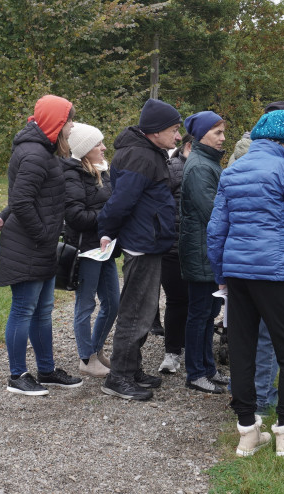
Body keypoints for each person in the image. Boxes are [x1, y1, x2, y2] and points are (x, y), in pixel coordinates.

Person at [208, 109, 284, 457]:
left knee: (242, 350)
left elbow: (216, 231)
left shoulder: (232, 170)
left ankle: (248, 434)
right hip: (274, 273)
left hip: (238, 275)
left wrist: (221, 278)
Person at [0, 95, 83, 395]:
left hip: (39, 246)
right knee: (23, 309)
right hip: (28, 246)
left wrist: (4, 216)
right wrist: (43, 234)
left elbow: (22, 196)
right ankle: (17, 376)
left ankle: (46, 370)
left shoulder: (44, 150)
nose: (71, 126)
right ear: (55, 121)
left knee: (43, 311)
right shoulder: (34, 154)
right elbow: (22, 199)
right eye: (68, 120)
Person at [97, 98, 181, 401]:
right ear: (156, 130)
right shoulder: (140, 157)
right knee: (136, 312)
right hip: (142, 243)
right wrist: (105, 231)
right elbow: (120, 201)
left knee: (144, 311)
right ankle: (118, 377)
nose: (178, 135)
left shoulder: (148, 152)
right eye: (173, 129)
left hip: (150, 240)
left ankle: (131, 370)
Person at [61, 122, 119, 377]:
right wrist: (108, 216)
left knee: (113, 303)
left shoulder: (102, 171)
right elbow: (75, 216)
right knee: (85, 306)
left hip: (105, 249)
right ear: (84, 149)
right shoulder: (71, 174)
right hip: (86, 251)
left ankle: (96, 350)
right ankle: (86, 358)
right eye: (98, 144)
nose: (104, 147)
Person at [178, 111, 230, 394]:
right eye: (217, 133)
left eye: (223, 132)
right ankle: (195, 372)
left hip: (207, 249)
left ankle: (209, 368)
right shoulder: (199, 167)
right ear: (200, 136)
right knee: (199, 313)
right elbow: (212, 212)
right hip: (200, 250)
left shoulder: (208, 162)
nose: (223, 138)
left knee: (209, 311)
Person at [158, 133, 192, 375]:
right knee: (177, 300)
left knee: (199, 303)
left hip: (197, 247)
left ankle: (193, 350)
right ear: (189, 146)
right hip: (172, 247)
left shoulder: (211, 168)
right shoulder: (172, 168)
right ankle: (172, 353)